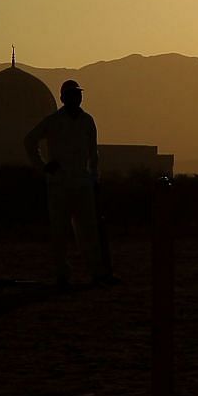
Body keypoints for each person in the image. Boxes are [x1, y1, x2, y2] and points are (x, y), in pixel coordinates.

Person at [24, 79, 114, 288]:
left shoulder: (87, 121)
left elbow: (93, 153)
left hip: (82, 183)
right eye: (72, 94)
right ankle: (63, 274)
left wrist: (94, 177)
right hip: (60, 184)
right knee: (60, 231)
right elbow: (30, 141)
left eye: (78, 94)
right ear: (63, 98)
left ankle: (96, 272)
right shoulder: (53, 121)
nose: (77, 98)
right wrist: (43, 166)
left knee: (89, 230)